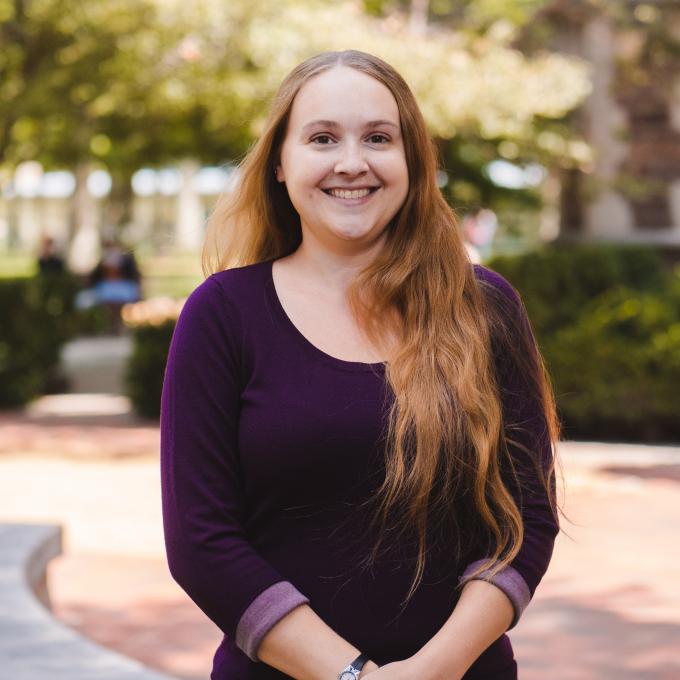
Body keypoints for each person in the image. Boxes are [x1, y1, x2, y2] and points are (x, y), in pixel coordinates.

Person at [160, 49, 562, 680]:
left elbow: (525, 522)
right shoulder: (223, 314)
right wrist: (353, 677)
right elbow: (202, 542)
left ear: (413, 164)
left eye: (379, 137)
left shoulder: (484, 307)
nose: (353, 162)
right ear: (280, 167)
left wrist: (433, 670)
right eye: (322, 138)